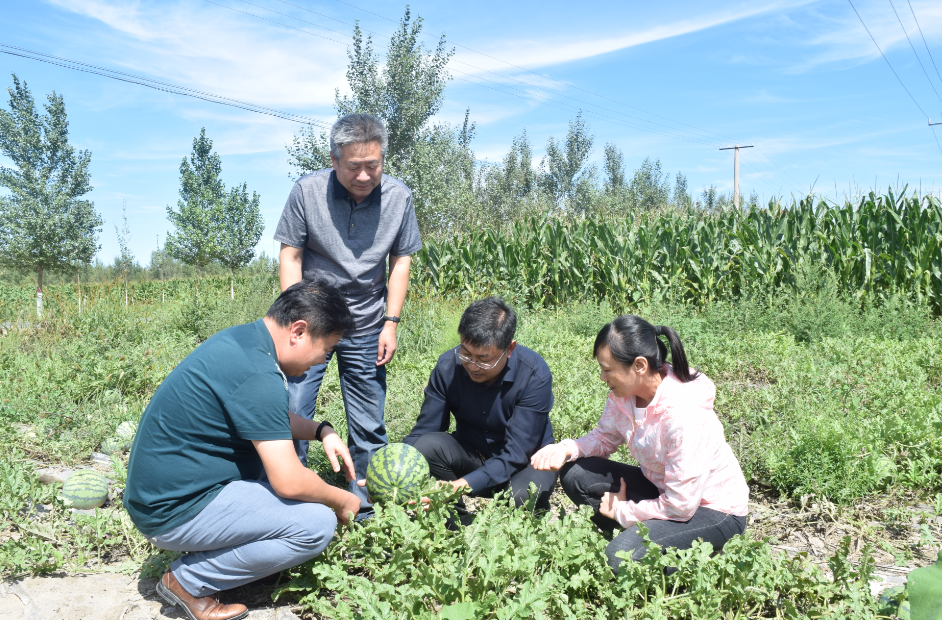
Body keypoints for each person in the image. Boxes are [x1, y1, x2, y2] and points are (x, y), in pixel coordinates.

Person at [124, 281, 362, 620]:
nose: (322, 360)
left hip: (162, 494)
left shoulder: (245, 341)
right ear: (299, 331)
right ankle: (187, 582)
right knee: (316, 523)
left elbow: (267, 418)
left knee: (286, 481)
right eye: (327, 349)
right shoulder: (257, 373)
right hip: (173, 510)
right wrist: (342, 500)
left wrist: (321, 430)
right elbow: (290, 482)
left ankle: (216, 554)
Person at [274, 113, 421, 515]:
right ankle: (292, 499)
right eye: (354, 166)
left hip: (368, 323)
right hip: (313, 322)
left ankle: (367, 505)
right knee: (294, 410)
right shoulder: (307, 192)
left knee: (368, 421)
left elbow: (401, 262)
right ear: (335, 159)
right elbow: (291, 255)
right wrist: (295, 321)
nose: (363, 175)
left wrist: (390, 322)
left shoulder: (398, 197)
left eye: (372, 165)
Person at [531, 315, 749, 572]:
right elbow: (604, 436)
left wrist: (624, 511)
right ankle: (649, 540)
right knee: (575, 472)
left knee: (620, 557)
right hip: (663, 490)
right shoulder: (624, 396)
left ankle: (703, 558)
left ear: (640, 365)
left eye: (608, 369)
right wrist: (566, 449)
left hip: (710, 509)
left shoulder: (684, 415)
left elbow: (681, 505)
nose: (603, 377)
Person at [402, 297, 557, 512]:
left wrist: (459, 486)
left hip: (526, 463)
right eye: (466, 354)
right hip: (473, 454)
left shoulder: (533, 374)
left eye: (484, 359)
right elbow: (425, 430)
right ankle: (458, 526)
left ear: (509, 349)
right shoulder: (448, 367)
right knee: (424, 446)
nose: (473, 366)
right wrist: (389, 473)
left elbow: (516, 454)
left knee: (524, 495)